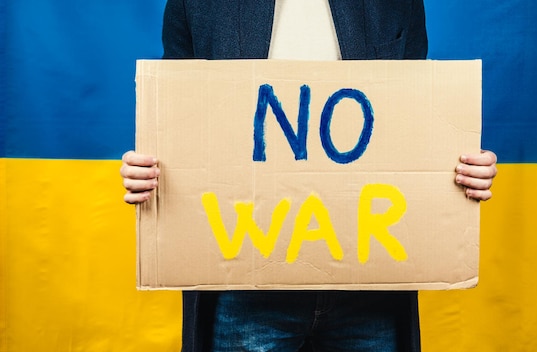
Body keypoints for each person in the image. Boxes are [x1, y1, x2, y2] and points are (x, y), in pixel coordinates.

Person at [120, 1, 498, 351]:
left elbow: (415, 121)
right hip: (243, 289)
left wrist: (462, 167)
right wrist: (151, 170)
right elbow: (179, 118)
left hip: (371, 290)